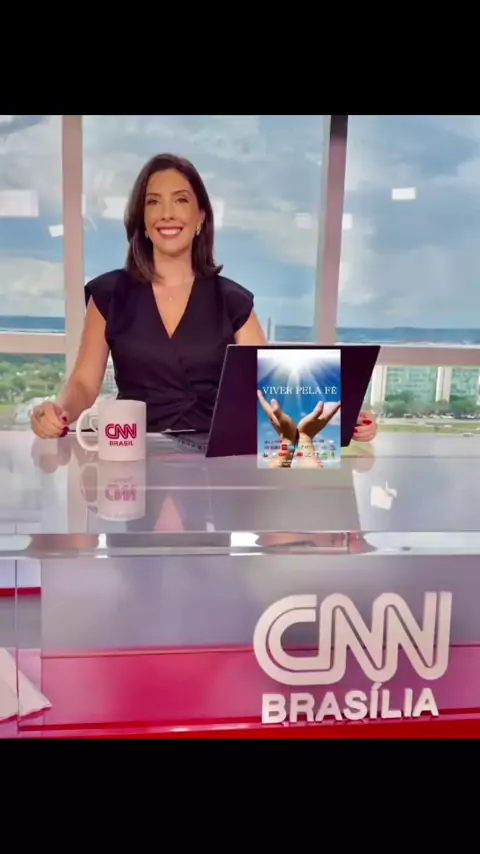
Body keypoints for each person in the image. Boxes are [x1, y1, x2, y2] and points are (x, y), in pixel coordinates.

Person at [30, 152, 377, 444]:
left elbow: (274, 391)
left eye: (181, 200)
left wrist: (341, 418)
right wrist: (60, 411)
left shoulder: (233, 301)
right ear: (142, 219)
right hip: (134, 455)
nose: (167, 213)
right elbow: (83, 383)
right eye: (153, 202)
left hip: (214, 459)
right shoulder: (109, 295)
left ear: (201, 216)